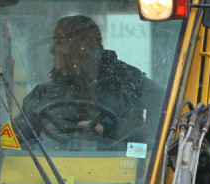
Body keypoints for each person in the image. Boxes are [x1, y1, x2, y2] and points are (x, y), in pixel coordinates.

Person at [19, 15, 159, 144]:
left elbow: (161, 120)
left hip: (118, 166)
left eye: (58, 42)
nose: (52, 50)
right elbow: (16, 138)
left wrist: (108, 131)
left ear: (82, 46)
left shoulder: (128, 81)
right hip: (48, 168)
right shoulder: (42, 94)